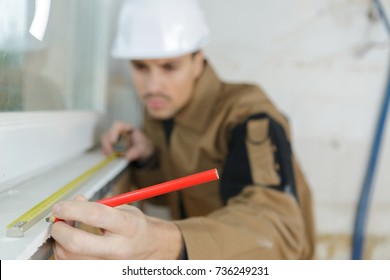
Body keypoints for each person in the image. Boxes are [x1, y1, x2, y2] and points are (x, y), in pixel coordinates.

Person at [50, 0, 315, 260]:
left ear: (198, 61)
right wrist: (149, 157)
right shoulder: (162, 112)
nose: (153, 86)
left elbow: (280, 233)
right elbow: (179, 193)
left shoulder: (247, 116)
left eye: (169, 67)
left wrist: (159, 243)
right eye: (140, 66)